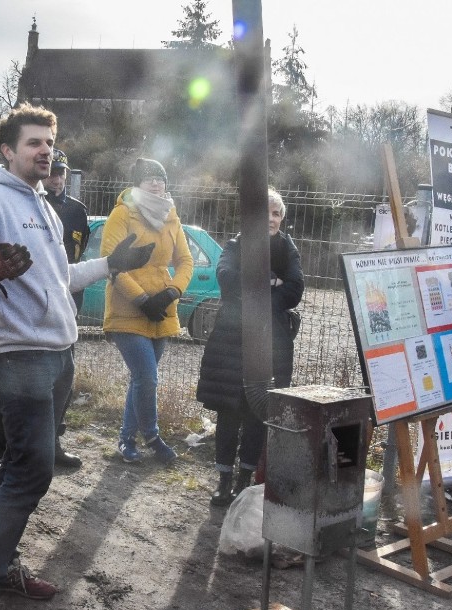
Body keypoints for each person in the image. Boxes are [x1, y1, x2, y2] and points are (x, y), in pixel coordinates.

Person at [0, 103, 154, 610]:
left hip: (60, 355)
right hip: (20, 358)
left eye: (49, 145)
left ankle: (3, 562)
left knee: (23, 466)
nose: (44, 152)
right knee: (31, 470)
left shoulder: (46, 207)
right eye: (33, 143)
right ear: (8, 150)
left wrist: (112, 265)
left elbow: (62, 277)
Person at [0, 147, 89, 477]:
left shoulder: (76, 211)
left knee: (59, 384)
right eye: (53, 171)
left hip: (63, 308)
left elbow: (74, 260)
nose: (56, 178)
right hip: (21, 315)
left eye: (62, 173)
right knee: (5, 387)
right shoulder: (19, 204)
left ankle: (51, 442)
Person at [196, 188, 304, 505]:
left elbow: (295, 288)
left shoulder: (287, 249)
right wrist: (269, 283)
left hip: (272, 343)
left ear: (282, 218)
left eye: (276, 213)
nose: (271, 219)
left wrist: (258, 297)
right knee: (228, 413)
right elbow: (226, 277)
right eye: (265, 212)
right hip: (232, 343)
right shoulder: (236, 244)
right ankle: (223, 481)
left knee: (259, 413)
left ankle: (245, 480)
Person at [101, 158, 193, 465]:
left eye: (160, 178)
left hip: (162, 310)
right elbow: (111, 263)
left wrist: (171, 292)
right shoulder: (122, 214)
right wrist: (142, 300)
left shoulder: (171, 217)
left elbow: (186, 262)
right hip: (128, 309)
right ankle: (152, 437)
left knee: (141, 379)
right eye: (148, 178)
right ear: (136, 183)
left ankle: (126, 440)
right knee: (147, 377)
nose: (155, 183)